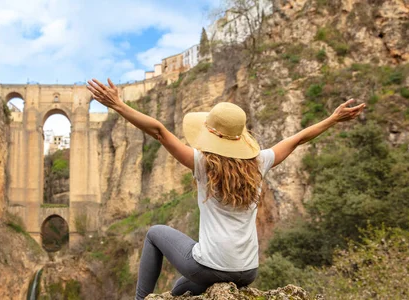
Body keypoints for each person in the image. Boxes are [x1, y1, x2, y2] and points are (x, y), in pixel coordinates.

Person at [87, 78, 365, 299]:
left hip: (209, 266)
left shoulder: (202, 164)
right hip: (247, 271)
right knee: (179, 288)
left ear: (213, 135)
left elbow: (158, 131)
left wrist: (118, 105)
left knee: (154, 233)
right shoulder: (259, 162)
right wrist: (332, 119)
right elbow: (298, 138)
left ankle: (140, 299)